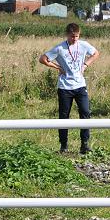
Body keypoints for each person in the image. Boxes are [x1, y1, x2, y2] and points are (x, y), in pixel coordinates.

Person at [40, 22, 100, 154]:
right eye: (72, 36)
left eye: (77, 36)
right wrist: (57, 67)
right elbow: (43, 58)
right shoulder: (60, 48)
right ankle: (64, 145)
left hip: (80, 85)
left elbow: (96, 53)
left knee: (85, 113)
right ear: (67, 35)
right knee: (64, 116)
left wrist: (85, 65)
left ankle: (84, 144)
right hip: (65, 87)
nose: (75, 39)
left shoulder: (83, 45)